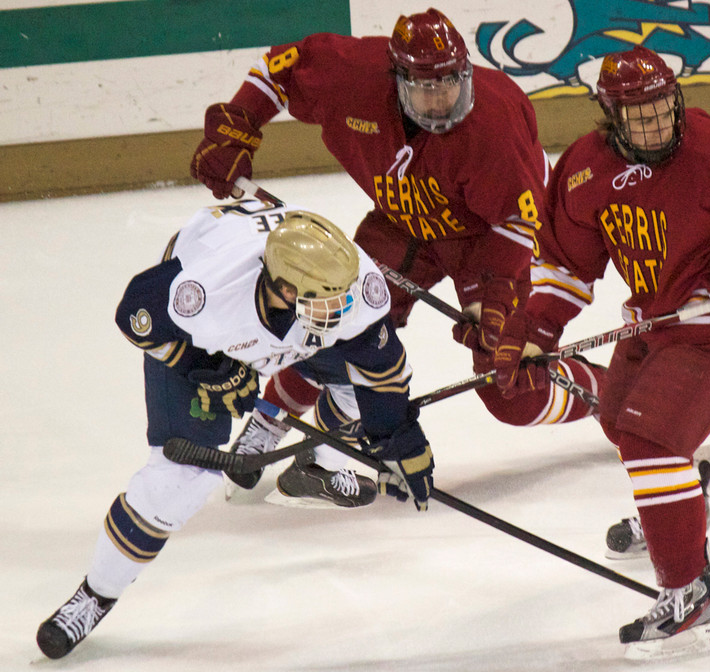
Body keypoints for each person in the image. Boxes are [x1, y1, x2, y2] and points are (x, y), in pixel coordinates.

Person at [491, 46, 710, 659]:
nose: (653, 123)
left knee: (653, 444)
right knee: (621, 424)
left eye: (660, 108)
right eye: (636, 114)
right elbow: (568, 264)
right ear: (608, 116)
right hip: (654, 321)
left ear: (676, 99)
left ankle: (690, 596)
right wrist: (537, 327)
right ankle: (679, 505)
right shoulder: (583, 170)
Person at [190, 8, 605, 498]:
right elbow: (279, 68)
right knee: (332, 316)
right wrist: (238, 124)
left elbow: (514, 223)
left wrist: (491, 299)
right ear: (397, 80)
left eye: (449, 85)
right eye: (425, 89)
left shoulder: (496, 121)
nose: (439, 101)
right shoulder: (356, 76)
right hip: (401, 220)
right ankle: (274, 426)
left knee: (505, 377)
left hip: (481, 238)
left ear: (466, 73)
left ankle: (605, 392)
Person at [36, 202, 435, 659]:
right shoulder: (204, 294)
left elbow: (381, 373)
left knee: (353, 386)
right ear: (284, 288)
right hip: (207, 330)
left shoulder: (353, 287)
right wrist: (205, 365)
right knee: (176, 483)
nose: (344, 307)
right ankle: (96, 593)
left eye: (343, 295)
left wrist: (401, 441)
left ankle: (313, 461)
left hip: (275, 302)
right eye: (329, 300)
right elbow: (134, 315)